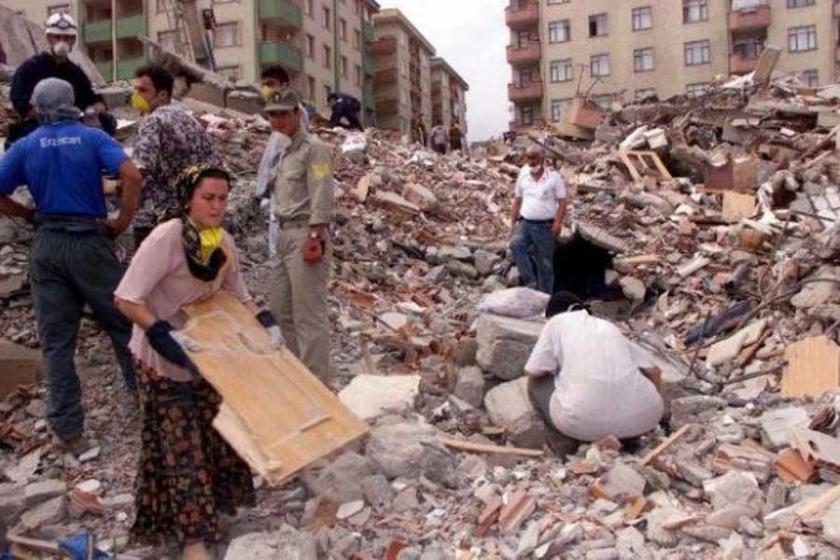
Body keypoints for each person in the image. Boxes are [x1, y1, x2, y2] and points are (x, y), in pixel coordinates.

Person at [114, 165, 283, 560]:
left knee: (217, 432)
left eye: (223, 198)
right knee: (180, 446)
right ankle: (193, 540)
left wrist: (265, 321)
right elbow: (125, 298)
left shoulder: (221, 241)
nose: (217, 206)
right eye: (209, 198)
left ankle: (217, 510)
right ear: (189, 199)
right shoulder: (166, 239)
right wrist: (159, 333)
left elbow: (237, 293)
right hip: (161, 356)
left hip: (205, 355)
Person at [0, 78, 142, 451]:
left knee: (57, 342)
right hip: (88, 242)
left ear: (37, 106)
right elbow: (132, 174)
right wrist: (122, 221)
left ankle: (69, 430)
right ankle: (147, 404)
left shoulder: (26, 145)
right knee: (123, 323)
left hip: (47, 244)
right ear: (72, 103)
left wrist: (27, 215)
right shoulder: (92, 138)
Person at [525, 292, 665, 457]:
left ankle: (565, 449)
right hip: (646, 419)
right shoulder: (608, 327)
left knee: (536, 383)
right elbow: (654, 371)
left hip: (580, 424)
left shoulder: (556, 322)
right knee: (630, 372)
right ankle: (630, 440)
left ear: (553, 313)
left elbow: (533, 371)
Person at [264, 88, 334, 380]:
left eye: (283, 113)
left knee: (309, 317)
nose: (277, 120)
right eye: (272, 114)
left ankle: (318, 388)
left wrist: (316, 236)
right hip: (283, 234)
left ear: (297, 113)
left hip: (306, 233)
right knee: (280, 311)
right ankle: (297, 380)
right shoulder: (283, 150)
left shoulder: (314, 148)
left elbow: (322, 188)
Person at [130, 64, 222, 248]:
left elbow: (139, 172)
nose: (136, 96)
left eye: (143, 91)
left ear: (162, 94)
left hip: (156, 219)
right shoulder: (191, 121)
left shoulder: (153, 121)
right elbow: (215, 163)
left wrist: (113, 186)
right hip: (191, 216)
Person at [8, 14, 113, 148]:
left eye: (67, 38)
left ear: (73, 40)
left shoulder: (76, 73)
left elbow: (92, 98)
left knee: (107, 124)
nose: (62, 41)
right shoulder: (29, 69)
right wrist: (48, 116)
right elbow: (20, 103)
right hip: (39, 128)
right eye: (57, 37)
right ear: (48, 38)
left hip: (72, 128)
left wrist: (97, 106)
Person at [255, 65, 309, 257]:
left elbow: (290, 149)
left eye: (271, 84)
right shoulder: (279, 114)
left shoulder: (294, 112)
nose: (267, 89)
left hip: (288, 187)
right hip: (281, 189)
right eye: (264, 85)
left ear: (284, 85)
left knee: (283, 248)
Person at [509, 145, 567, 294]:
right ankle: (530, 283)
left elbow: (562, 202)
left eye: (534, 157)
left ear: (542, 158)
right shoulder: (523, 175)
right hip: (525, 223)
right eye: (528, 157)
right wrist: (512, 223)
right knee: (516, 245)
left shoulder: (554, 178)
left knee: (545, 265)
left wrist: (558, 222)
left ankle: (545, 298)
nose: (531, 161)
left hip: (545, 227)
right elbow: (517, 200)